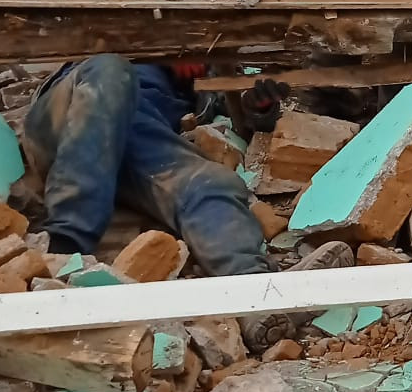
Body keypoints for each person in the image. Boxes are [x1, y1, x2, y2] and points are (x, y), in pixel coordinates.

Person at [23, 56, 276, 276]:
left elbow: (235, 106)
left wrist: (257, 106)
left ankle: (254, 291)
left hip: (141, 138)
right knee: (111, 71)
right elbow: (83, 24)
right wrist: (167, 48)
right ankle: (65, 245)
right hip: (74, 119)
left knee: (212, 183)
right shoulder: (114, 29)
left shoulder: (205, 65)